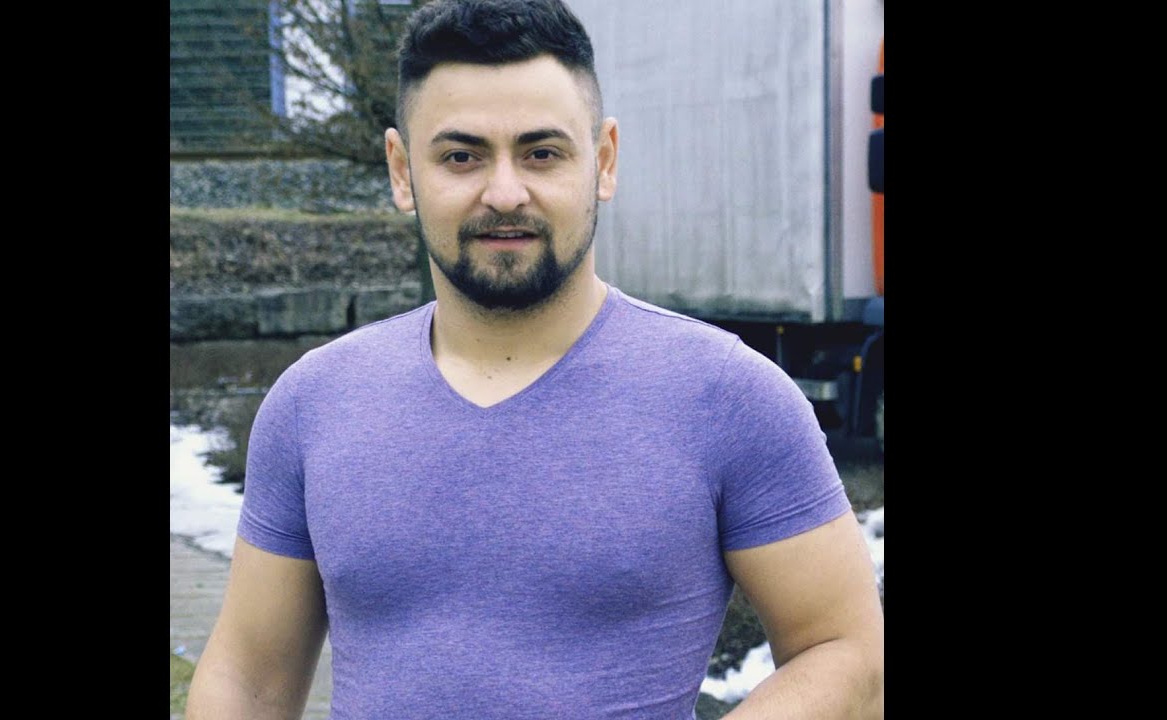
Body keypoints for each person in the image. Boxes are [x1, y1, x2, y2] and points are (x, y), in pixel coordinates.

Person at [185, 1, 883, 718]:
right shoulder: (314, 403)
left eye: (541, 153)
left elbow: (850, 655)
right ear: (401, 170)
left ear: (603, 161)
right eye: (461, 156)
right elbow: (248, 679)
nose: (505, 193)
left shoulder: (729, 396)